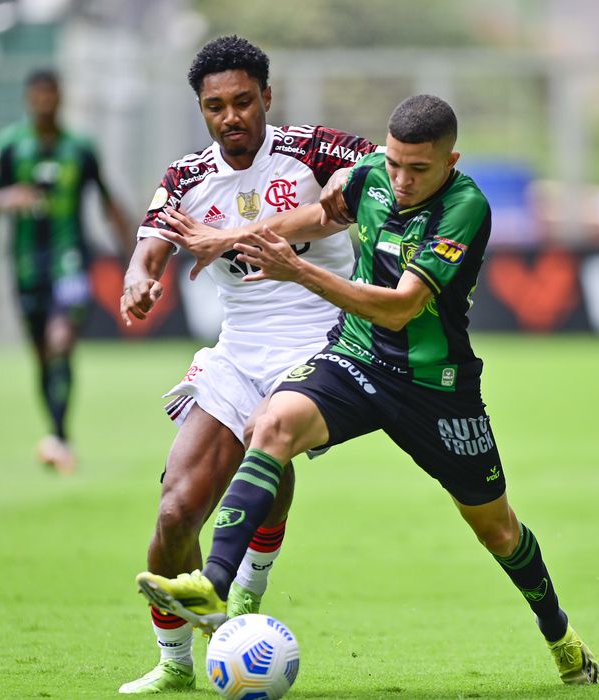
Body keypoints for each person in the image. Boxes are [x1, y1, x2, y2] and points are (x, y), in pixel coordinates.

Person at [139, 94, 599, 685]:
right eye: (395, 163)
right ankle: (214, 586)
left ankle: (558, 630)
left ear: (451, 161)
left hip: (435, 389)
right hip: (355, 359)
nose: (402, 181)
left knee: (497, 530)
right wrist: (230, 237)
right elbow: (317, 217)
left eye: (419, 169)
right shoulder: (370, 176)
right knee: (270, 426)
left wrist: (301, 270)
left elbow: (403, 307)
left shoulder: (465, 208)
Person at [117, 36, 377, 694]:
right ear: (201, 110)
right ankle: (176, 664)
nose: (230, 116)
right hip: (239, 348)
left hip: (322, 337)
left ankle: (245, 594)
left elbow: (370, 175)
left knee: (269, 438)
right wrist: (138, 284)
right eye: (215, 107)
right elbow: (149, 248)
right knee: (176, 513)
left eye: (241, 101)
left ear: (266, 96)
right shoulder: (184, 177)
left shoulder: (312, 147)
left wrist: (333, 195)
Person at [0, 69, 132, 474]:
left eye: (52, 96)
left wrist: (134, 249)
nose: (45, 103)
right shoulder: (10, 145)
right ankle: (58, 433)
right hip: (27, 266)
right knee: (43, 355)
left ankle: (59, 439)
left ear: (60, 99)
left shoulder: (80, 147)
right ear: (30, 99)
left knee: (61, 341)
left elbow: (106, 199)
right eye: (39, 96)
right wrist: (9, 197)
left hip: (71, 263)